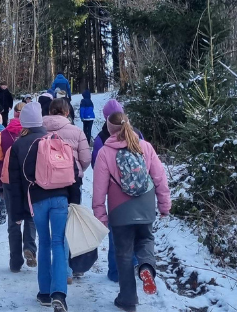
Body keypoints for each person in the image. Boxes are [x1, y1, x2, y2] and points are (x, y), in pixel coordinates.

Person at [92, 112, 171, 312]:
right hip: (145, 205)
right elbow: (160, 178)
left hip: (119, 210)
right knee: (145, 240)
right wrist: (164, 205)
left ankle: (127, 299)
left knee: (124, 253)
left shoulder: (105, 152)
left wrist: (100, 215)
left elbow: (99, 189)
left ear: (109, 129)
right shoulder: (145, 146)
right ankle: (146, 268)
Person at [8, 102, 80, 312]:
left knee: (45, 243)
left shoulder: (19, 145)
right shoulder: (54, 140)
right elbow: (73, 173)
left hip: (37, 199)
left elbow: (15, 183)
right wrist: (74, 201)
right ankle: (59, 294)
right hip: (60, 198)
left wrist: (17, 213)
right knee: (58, 242)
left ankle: (45, 294)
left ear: (23, 122)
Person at [91, 99, 144, 283]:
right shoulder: (137, 134)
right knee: (136, 231)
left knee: (116, 235)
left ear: (106, 119)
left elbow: (95, 165)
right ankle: (136, 263)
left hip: (115, 196)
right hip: (139, 193)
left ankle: (115, 272)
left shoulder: (100, 139)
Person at [43, 98, 90, 279]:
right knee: (70, 223)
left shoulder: (40, 130)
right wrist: (77, 169)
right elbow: (86, 159)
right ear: (67, 112)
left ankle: (52, 269)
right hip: (71, 183)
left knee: (51, 228)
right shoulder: (77, 132)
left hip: (45, 182)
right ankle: (69, 268)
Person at [0, 102, 37, 271]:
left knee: (14, 221)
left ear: (13, 114)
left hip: (8, 180)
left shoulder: (4, 133)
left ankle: (15, 261)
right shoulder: (33, 135)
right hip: (28, 179)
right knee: (30, 215)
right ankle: (29, 247)